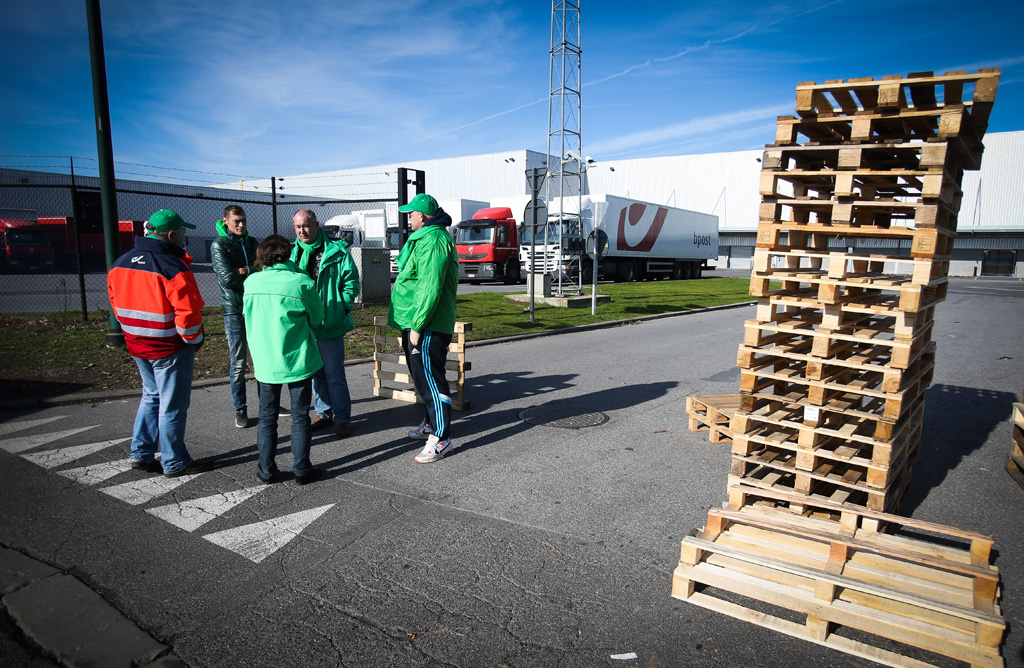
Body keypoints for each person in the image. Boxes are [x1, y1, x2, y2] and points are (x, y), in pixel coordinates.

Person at [107, 209, 214, 477]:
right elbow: (188, 313)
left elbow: (115, 303)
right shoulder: (172, 266)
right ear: (170, 235)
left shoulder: (121, 262)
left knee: (151, 396)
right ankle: (175, 460)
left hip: (137, 344)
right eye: (182, 231)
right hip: (169, 347)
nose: (184, 236)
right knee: (172, 405)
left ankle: (141, 452)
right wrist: (194, 341)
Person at [243, 235, 324, 485]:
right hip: (297, 359)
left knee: (267, 417)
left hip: (266, 361)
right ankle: (301, 469)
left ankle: (266, 470)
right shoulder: (301, 282)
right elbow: (317, 318)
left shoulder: (251, 282)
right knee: (300, 416)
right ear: (288, 254)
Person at [387, 193, 459, 463]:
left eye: (411, 213)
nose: (408, 217)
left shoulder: (434, 240)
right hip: (416, 322)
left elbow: (431, 286)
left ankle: (441, 439)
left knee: (431, 380)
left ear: (423, 216)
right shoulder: (423, 239)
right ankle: (431, 423)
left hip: (427, 324)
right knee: (422, 378)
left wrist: (417, 325)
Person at [290, 209, 361, 438]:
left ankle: (342, 418)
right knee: (315, 373)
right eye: (298, 227)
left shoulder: (337, 251)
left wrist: (343, 306)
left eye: (306, 226)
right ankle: (323, 413)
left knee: (334, 373)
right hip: (306, 324)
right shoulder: (293, 254)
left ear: (316, 224)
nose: (302, 231)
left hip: (331, 322)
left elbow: (351, 282)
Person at [211, 204, 259, 428]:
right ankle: (240, 409)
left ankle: (269, 402)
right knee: (239, 364)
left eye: (243, 221)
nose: (240, 225)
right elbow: (228, 280)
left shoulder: (252, 242)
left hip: (256, 308)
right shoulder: (220, 244)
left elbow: (263, 269)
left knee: (262, 359)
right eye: (236, 221)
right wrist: (250, 273)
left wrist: (246, 270)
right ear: (225, 221)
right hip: (234, 311)